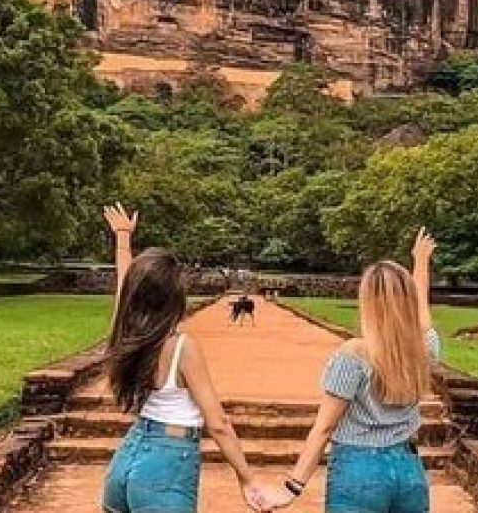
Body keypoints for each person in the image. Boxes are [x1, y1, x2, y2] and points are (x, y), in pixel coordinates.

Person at [100, 204, 272, 513]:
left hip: (126, 458)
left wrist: (123, 238)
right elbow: (218, 424)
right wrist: (247, 479)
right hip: (166, 463)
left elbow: (124, 286)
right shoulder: (181, 348)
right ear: (174, 298)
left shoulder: (125, 333)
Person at [267, 229, 440, 513]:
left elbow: (324, 428)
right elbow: (422, 311)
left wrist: (292, 487)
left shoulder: (354, 355)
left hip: (359, 469)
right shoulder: (423, 350)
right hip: (409, 470)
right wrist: (420, 263)